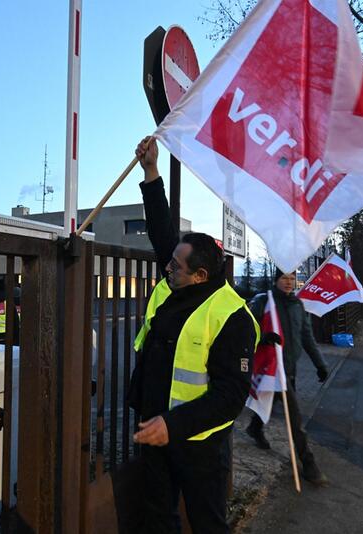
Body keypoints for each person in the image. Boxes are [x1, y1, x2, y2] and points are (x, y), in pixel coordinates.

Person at [128, 137, 259, 533]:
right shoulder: (178, 281)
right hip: (154, 428)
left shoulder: (231, 315)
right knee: (156, 518)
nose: (167, 270)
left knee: (207, 523)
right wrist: (151, 172)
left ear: (200, 275)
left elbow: (230, 396)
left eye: (175, 268)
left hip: (198, 443)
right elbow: (162, 231)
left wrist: (175, 424)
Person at [245, 269, 330, 485]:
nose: (289, 282)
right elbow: (248, 329)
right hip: (270, 367)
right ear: (276, 280)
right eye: (284, 278)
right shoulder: (265, 302)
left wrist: (320, 364)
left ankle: (254, 427)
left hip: (289, 369)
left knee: (271, 400)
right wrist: (264, 338)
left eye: (292, 278)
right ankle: (309, 463)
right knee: (295, 419)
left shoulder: (297, 305)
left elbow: (307, 336)